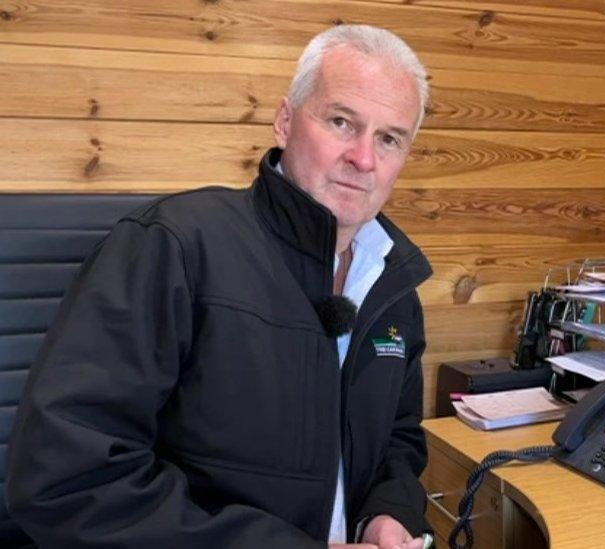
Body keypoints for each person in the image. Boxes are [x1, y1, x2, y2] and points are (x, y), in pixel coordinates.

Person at [7, 25, 432, 548]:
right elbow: (69, 480)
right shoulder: (174, 246)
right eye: (342, 122)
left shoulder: (392, 281)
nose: (363, 159)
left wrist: (387, 514)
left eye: (389, 138)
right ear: (284, 121)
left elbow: (398, 437)